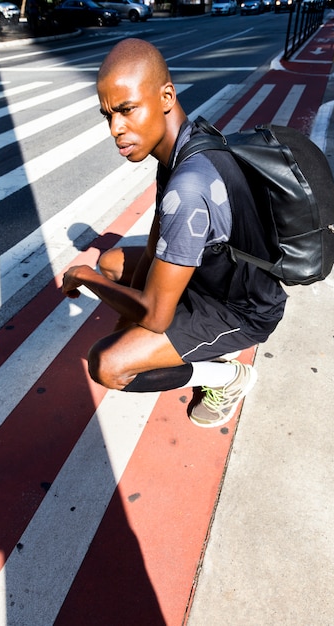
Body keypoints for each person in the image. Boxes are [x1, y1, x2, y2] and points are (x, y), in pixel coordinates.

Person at [62, 38, 287, 428]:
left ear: (166, 96)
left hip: (243, 308)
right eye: (108, 115)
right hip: (215, 273)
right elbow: (153, 247)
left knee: (109, 365)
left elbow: (153, 316)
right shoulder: (186, 142)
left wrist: (83, 278)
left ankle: (228, 377)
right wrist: (124, 321)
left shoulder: (188, 187)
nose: (116, 128)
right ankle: (197, 347)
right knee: (112, 261)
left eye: (127, 110)